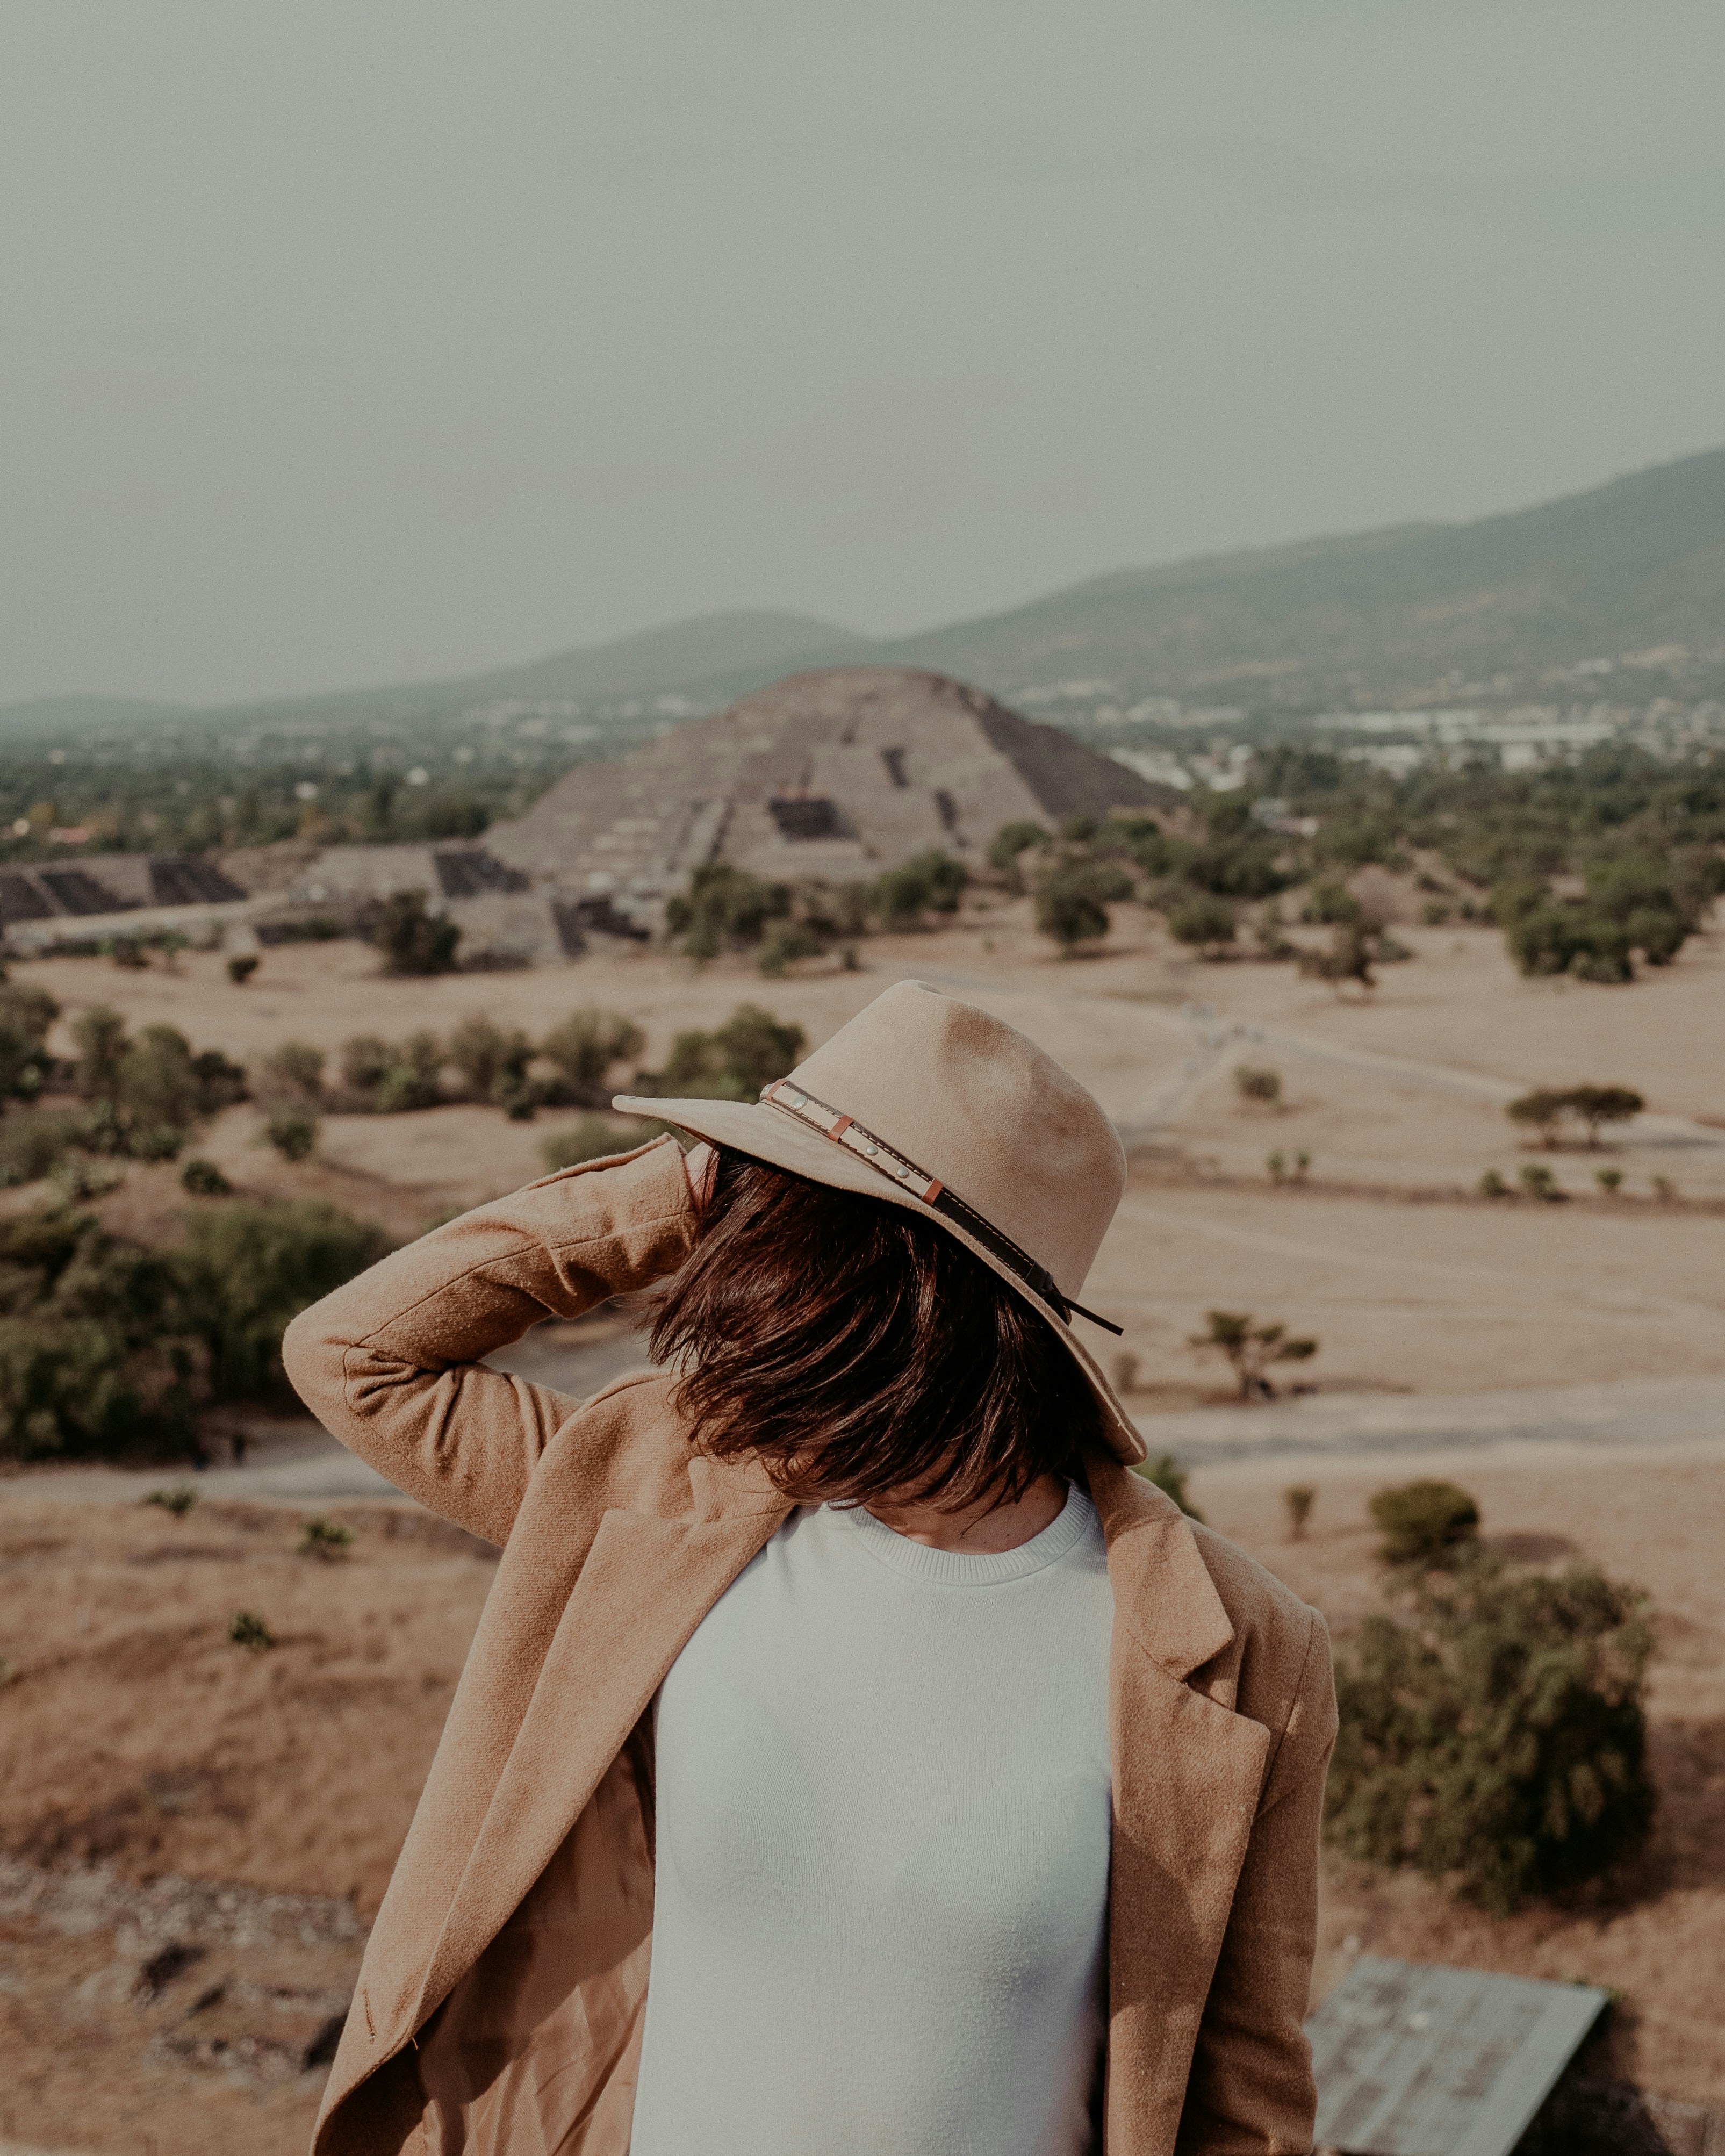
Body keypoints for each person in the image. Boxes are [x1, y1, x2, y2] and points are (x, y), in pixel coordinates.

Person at [285, 979, 1335, 2156]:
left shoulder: (1241, 1648)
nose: (728, 1283)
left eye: (775, 1231)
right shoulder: (654, 1488)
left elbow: (1249, 2099)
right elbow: (355, 1353)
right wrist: (662, 1195)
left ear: (909, 1297)